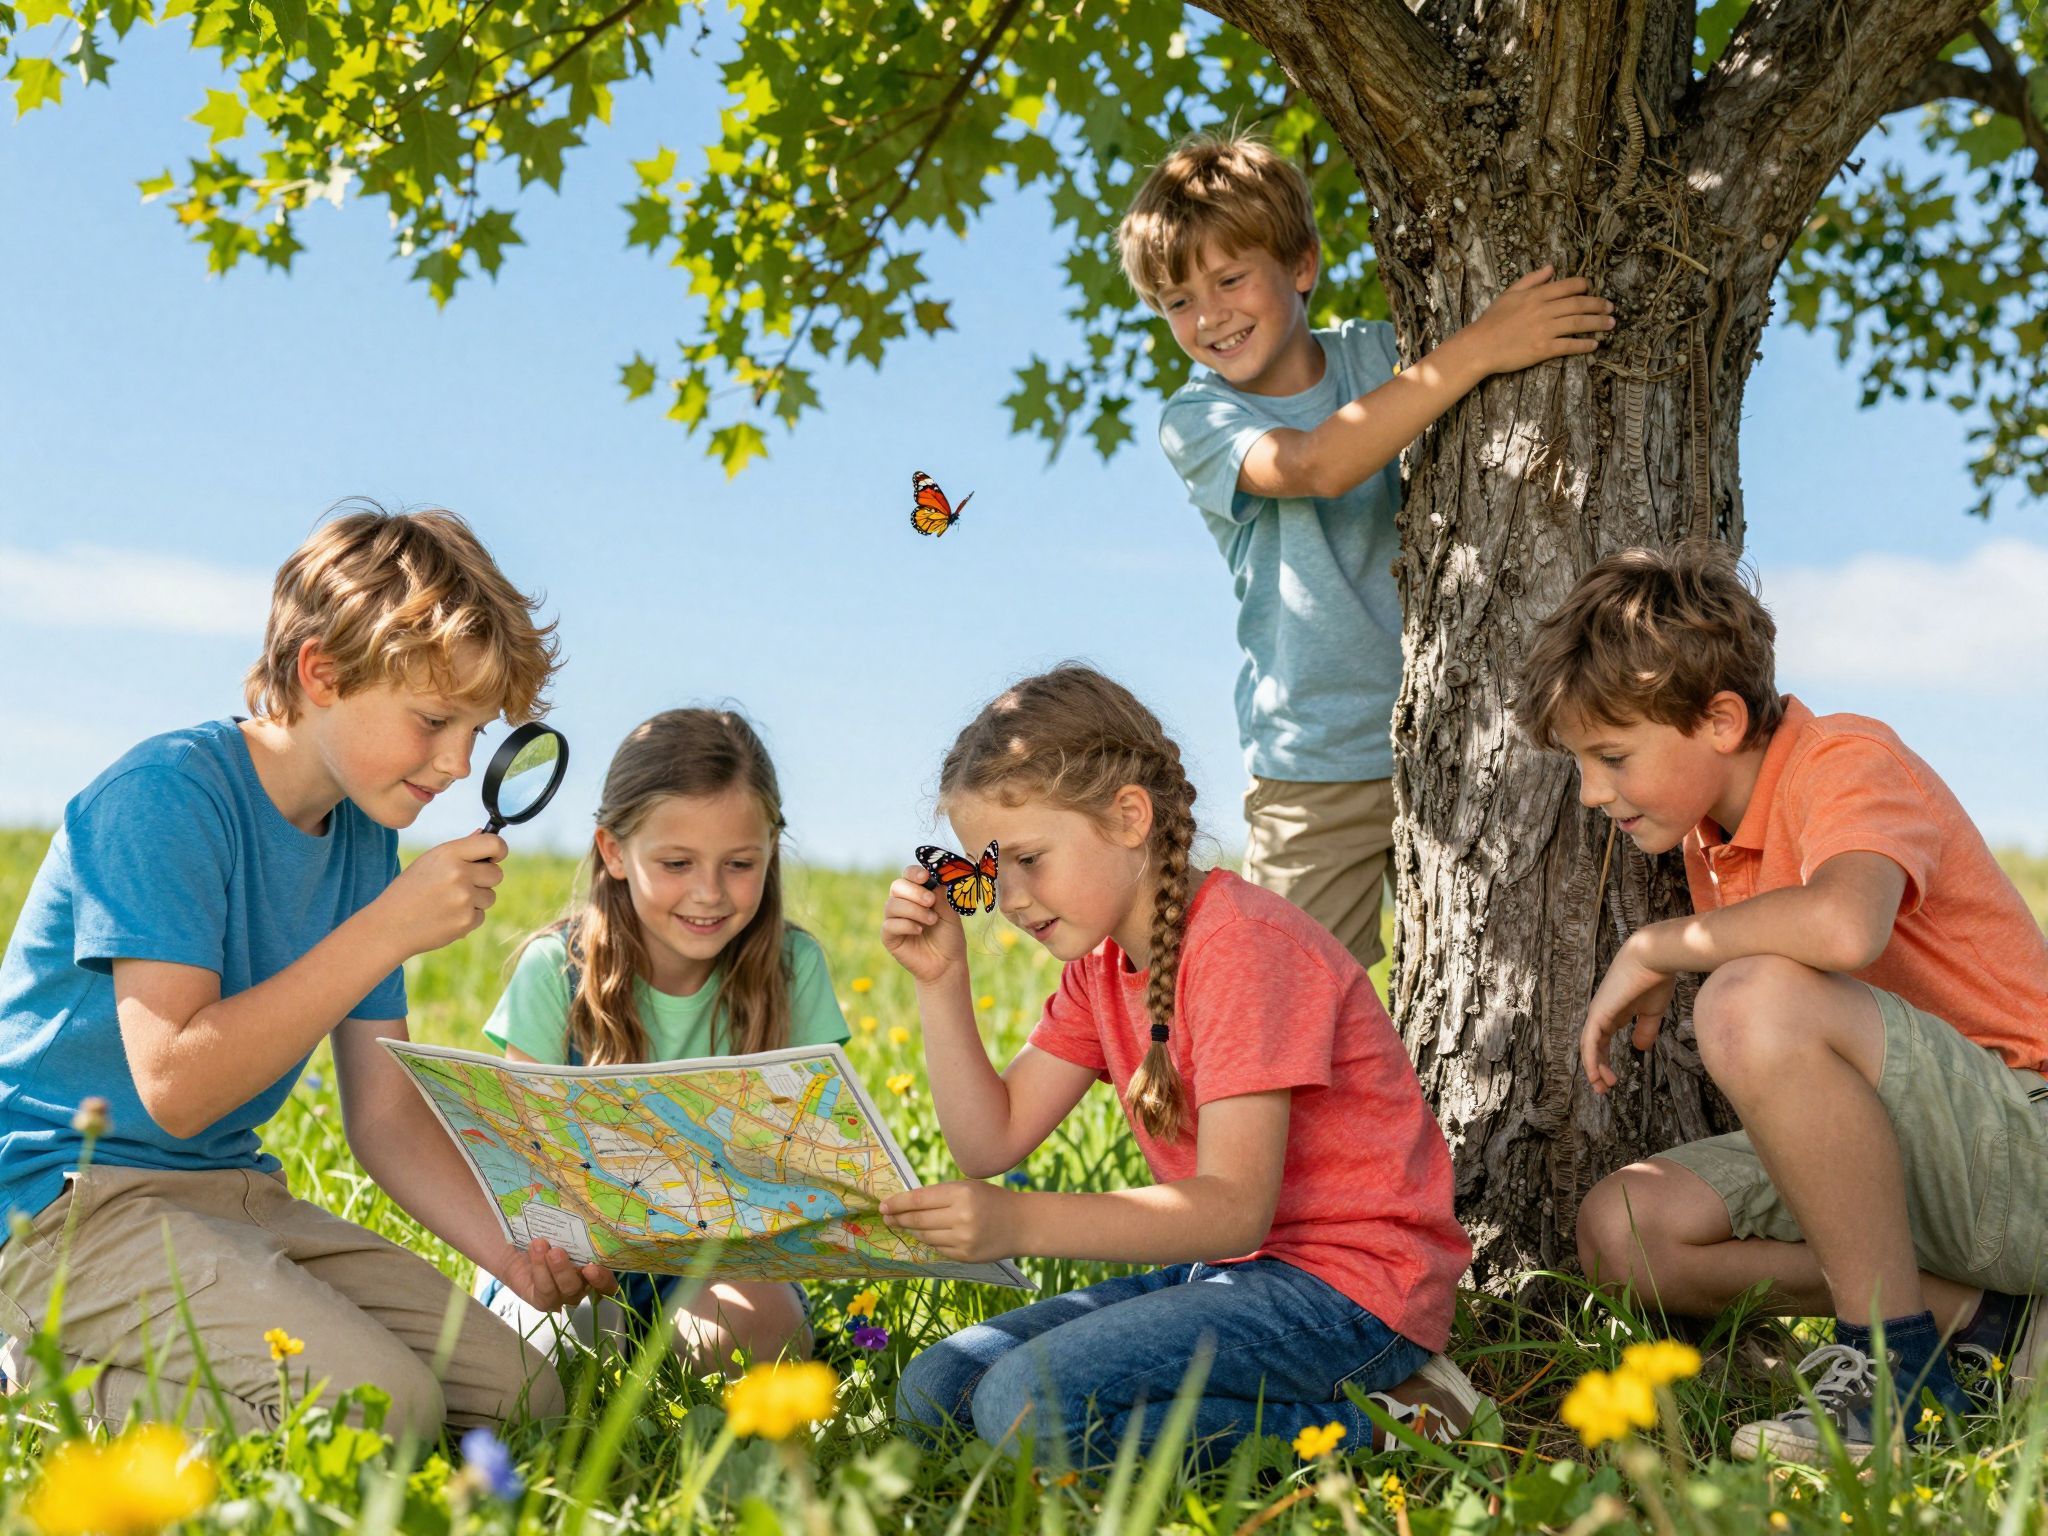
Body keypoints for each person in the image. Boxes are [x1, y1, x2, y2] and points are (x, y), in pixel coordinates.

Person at [0, 504, 607, 1435]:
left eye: (476, 734)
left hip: (231, 1198)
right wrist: (384, 932)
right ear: (320, 671)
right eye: (434, 720)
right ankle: (27, 1374)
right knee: (380, 1410)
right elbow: (178, 1085)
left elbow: (386, 1114)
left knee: (524, 1397)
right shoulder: (163, 799)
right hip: (62, 1214)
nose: (454, 763)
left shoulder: (362, 841)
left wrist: (513, 1251)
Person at [1521, 543, 2048, 1463]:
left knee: (1750, 1000)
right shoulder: (1711, 839)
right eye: (1580, 765)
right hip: (1919, 1170)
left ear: (1720, 719)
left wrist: (1658, 946)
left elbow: (1847, 928)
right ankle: (1990, 1324)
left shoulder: (1844, 757)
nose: (1594, 793)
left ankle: (1891, 1367)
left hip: (2024, 1138)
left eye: (1611, 757)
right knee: (1626, 1232)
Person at [878, 663, 1476, 1467]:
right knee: (935, 1390)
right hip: (1226, 1275)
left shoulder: (1242, 945)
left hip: (1351, 1295)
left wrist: (1017, 1222)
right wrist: (942, 980)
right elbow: (989, 1144)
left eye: (1027, 858)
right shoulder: (1100, 970)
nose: (1011, 899)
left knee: (1024, 1407)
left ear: (1129, 817)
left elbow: (1234, 1210)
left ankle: (1395, 1420)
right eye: (987, 872)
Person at [1121, 131, 1615, 969]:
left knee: (1493, 968)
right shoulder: (1198, 419)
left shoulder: (1380, 353)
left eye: (1230, 278)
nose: (1208, 316)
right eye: (1177, 301)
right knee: (1289, 992)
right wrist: (1486, 344)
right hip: (1315, 757)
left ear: (1302, 266)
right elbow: (1317, 463)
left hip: (1465, 723)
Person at [473, 707, 847, 1376]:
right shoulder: (556, 970)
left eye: (739, 864)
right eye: (676, 862)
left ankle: (649, 1357)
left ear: (770, 852)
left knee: (769, 1335)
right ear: (614, 852)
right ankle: (617, 1350)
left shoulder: (793, 970)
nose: (709, 894)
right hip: (575, 1257)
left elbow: (814, 1158)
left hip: (718, 1258)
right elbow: (525, 1164)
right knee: (540, 1362)